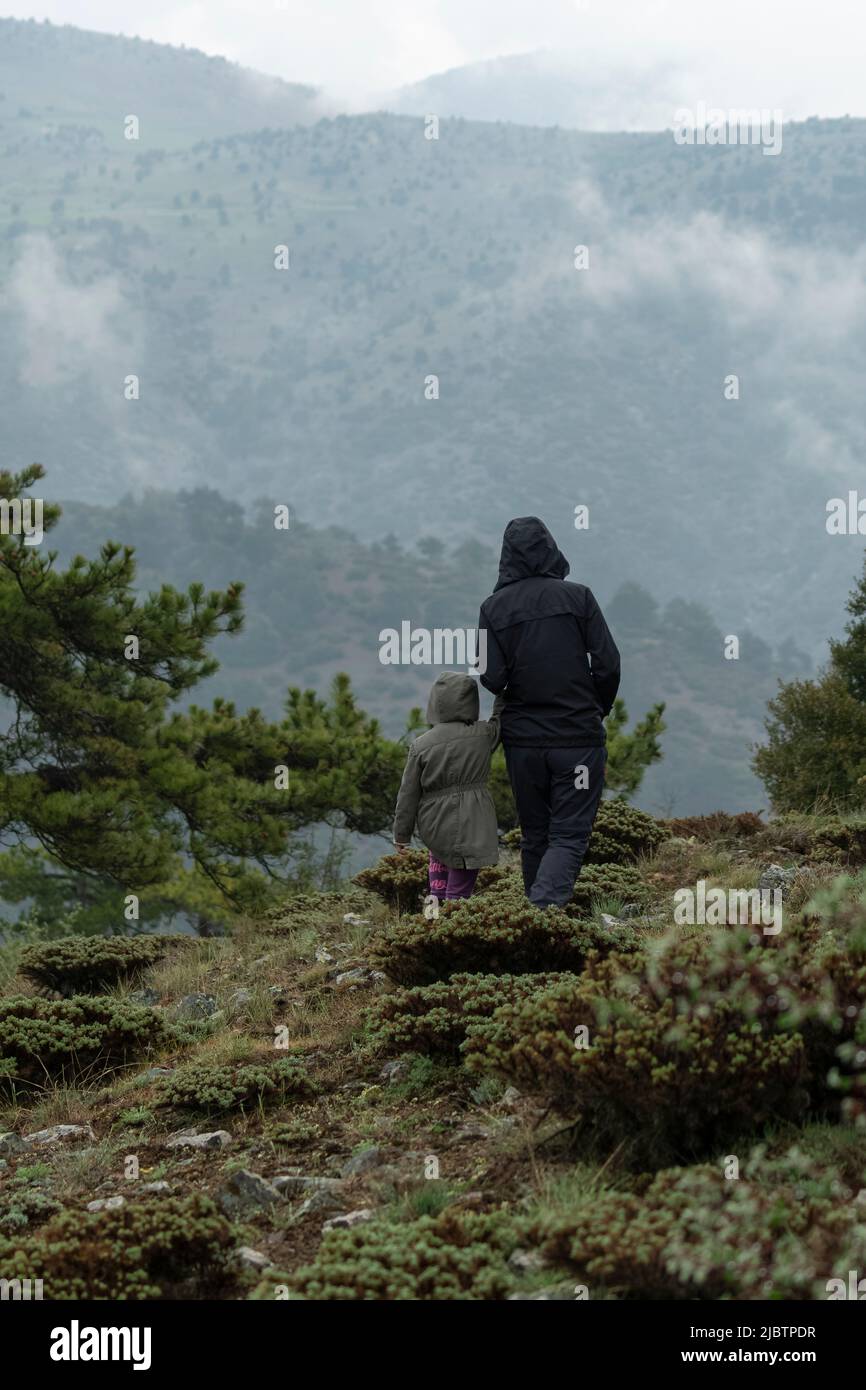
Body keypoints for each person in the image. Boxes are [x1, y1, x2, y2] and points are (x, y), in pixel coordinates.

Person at [478, 516, 620, 908]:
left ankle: (535, 919)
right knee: (569, 835)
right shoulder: (579, 598)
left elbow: (490, 677)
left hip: (523, 745)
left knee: (535, 835)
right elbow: (607, 664)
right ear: (551, 548)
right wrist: (597, 709)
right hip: (577, 742)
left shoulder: (492, 609)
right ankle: (542, 915)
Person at [393, 670, 503, 904]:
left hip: (435, 823)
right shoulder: (482, 734)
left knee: (437, 888)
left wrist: (401, 835)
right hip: (473, 820)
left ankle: (431, 925)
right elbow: (500, 718)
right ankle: (448, 930)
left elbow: (408, 794)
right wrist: (505, 690)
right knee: (459, 891)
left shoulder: (420, 745)